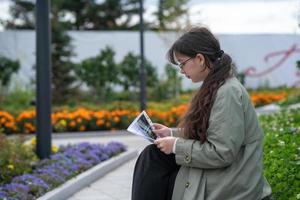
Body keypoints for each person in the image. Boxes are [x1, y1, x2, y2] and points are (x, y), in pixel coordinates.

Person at [131, 26, 273, 200]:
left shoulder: (227, 92)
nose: (181, 70)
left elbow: (222, 153)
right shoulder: (218, 86)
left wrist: (176, 145)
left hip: (230, 185)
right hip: (223, 177)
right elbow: (214, 132)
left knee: (153, 160)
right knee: (153, 157)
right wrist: (171, 133)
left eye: (182, 63)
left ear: (199, 58)